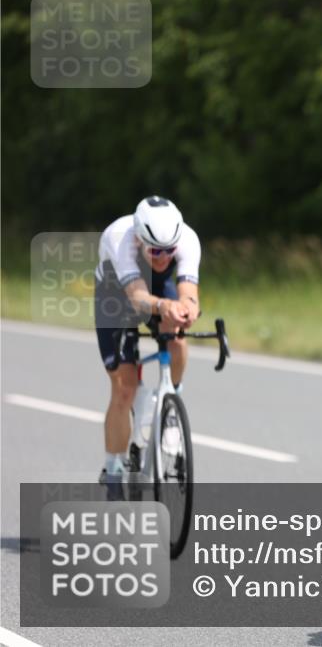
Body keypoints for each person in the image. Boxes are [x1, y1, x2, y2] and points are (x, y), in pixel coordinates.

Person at [94, 196, 201, 496]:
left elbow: (188, 290)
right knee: (125, 388)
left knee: (176, 335)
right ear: (140, 240)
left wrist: (187, 308)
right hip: (116, 292)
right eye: (155, 251)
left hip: (158, 287)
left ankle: (171, 401)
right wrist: (166, 305)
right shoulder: (120, 238)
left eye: (170, 250)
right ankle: (113, 469)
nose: (164, 257)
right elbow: (138, 298)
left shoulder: (188, 240)